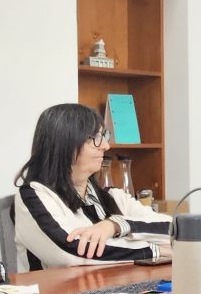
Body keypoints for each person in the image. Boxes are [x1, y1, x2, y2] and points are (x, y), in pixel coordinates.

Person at [13, 102, 172, 267]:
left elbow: (176, 231)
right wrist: (155, 251)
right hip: (58, 285)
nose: (106, 146)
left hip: (119, 283)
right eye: (96, 138)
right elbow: (71, 252)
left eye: (104, 136)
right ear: (66, 143)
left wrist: (116, 225)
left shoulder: (113, 197)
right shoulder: (33, 196)